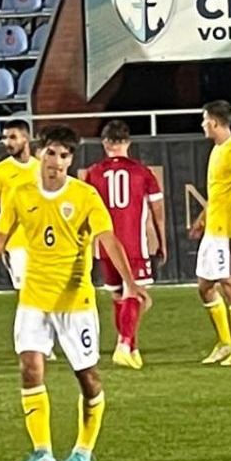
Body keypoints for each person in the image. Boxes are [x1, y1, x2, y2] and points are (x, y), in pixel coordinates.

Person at [0, 125, 150, 461]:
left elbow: (108, 239)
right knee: (30, 368)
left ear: (71, 160)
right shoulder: (20, 192)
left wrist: (130, 282)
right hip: (34, 299)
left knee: (87, 376)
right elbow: (0, 238)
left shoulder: (85, 197)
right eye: (51, 153)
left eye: (64, 156)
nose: (56, 162)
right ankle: (42, 451)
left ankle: (83, 450)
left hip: (74, 303)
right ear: (40, 153)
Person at [83, 120, 166, 370]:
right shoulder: (142, 172)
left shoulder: (93, 173)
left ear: (105, 143)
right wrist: (162, 240)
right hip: (133, 244)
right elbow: (157, 210)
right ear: (127, 142)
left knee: (120, 296)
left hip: (105, 245)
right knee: (136, 294)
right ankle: (124, 343)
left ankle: (133, 349)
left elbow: (84, 211)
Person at [189, 101, 231, 368]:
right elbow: (218, 191)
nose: (202, 124)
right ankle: (226, 342)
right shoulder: (218, 150)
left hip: (229, 230)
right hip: (214, 229)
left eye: (204, 119)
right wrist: (202, 219)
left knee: (229, 284)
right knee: (205, 286)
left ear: (215, 122)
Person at [0, 120, 39, 291]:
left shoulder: (41, 168)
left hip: (41, 241)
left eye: (13, 137)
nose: (8, 142)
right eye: (5, 138)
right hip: (15, 241)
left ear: (26, 138)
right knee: (26, 293)